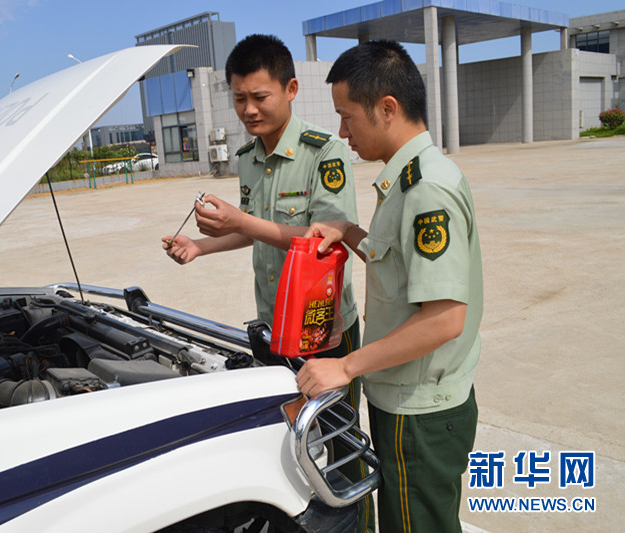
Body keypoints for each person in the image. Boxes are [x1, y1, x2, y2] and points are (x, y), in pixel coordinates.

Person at [163, 34, 374, 532]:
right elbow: (256, 230)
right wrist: (201, 245)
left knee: (339, 443)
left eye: (260, 97)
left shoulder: (324, 153)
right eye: (239, 98)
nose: (249, 110)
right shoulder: (247, 157)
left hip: (323, 330)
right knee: (289, 439)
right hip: (275, 328)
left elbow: (325, 239)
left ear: (291, 89)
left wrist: (241, 220)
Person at [296, 40, 483, 533]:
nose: (342, 132)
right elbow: (400, 265)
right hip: (405, 397)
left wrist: (345, 366)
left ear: (386, 108)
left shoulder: (426, 189)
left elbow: (445, 318)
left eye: (347, 117)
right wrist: (348, 231)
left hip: (417, 409)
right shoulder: (406, 180)